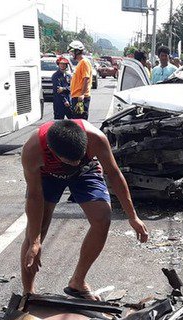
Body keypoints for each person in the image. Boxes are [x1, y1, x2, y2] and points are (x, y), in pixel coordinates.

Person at [20, 119, 149, 300]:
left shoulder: (95, 138)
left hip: (84, 171)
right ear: (51, 149)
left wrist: (133, 216)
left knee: (102, 217)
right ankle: (28, 293)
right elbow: (34, 196)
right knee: (37, 229)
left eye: (77, 158)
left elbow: (114, 174)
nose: (73, 163)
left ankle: (77, 282)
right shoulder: (33, 150)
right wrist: (35, 240)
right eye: (69, 160)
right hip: (48, 175)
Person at [68, 40, 92, 120]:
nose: (71, 54)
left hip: (80, 98)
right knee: (77, 120)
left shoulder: (84, 62)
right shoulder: (80, 63)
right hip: (76, 96)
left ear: (77, 51)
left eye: (72, 51)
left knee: (81, 121)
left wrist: (82, 94)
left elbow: (86, 78)